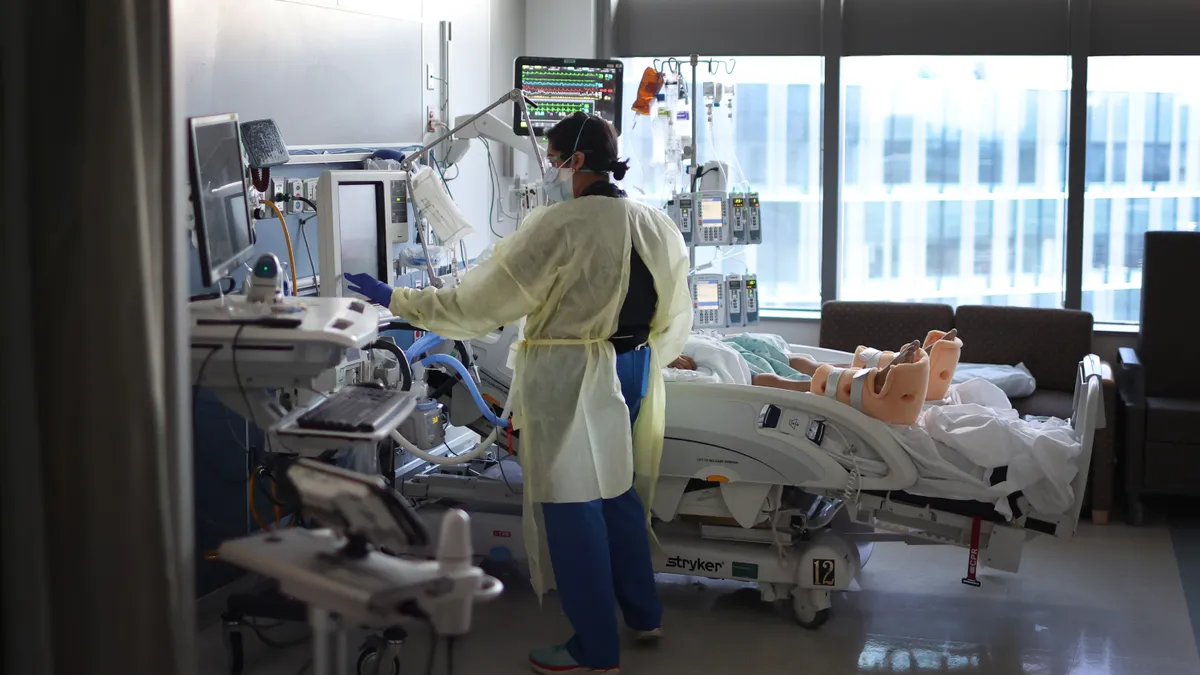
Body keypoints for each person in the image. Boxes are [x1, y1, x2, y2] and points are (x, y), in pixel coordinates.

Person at [343, 111, 693, 675]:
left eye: (553, 159)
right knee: (616, 491)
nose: (549, 171)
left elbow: (478, 306)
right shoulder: (652, 220)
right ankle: (643, 613)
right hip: (630, 366)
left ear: (576, 161)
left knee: (571, 502)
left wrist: (397, 298)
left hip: (574, 375)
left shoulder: (563, 226)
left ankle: (594, 650)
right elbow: (676, 305)